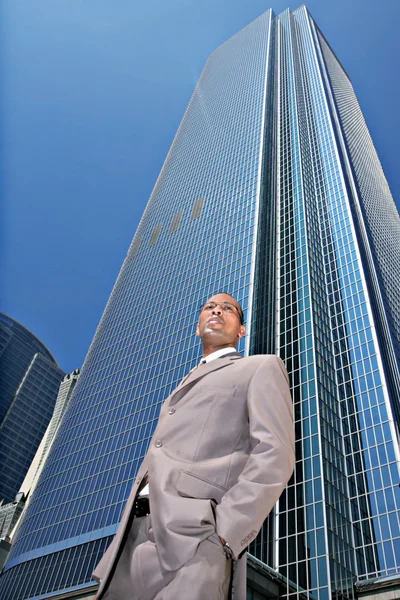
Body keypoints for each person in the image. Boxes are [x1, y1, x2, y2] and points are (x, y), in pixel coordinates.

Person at [93, 292, 295, 600]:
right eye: (210, 307)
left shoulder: (261, 367)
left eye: (229, 309)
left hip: (197, 540)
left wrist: (225, 533)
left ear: (241, 331)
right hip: (130, 544)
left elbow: (275, 454)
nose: (217, 310)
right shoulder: (178, 388)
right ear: (197, 326)